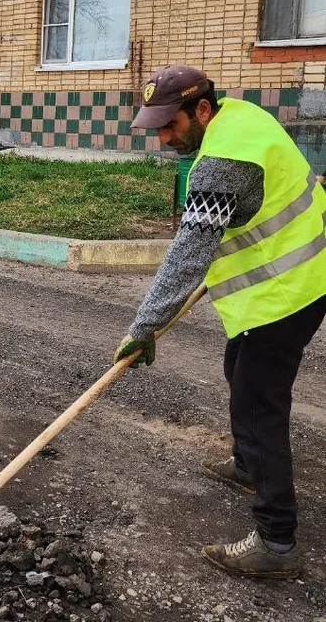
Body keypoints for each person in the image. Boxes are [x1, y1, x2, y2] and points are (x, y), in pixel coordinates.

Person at [114, 65, 326, 579]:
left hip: (284, 294)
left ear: (202, 109)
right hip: (307, 271)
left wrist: (144, 328)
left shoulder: (221, 166)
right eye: (157, 127)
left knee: (259, 408)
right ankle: (247, 464)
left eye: (170, 125)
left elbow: (188, 255)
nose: (164, 137)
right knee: (239, 369)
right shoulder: (242, 115)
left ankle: (277, 544)